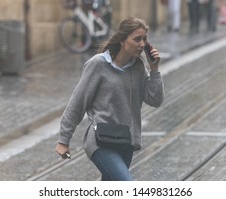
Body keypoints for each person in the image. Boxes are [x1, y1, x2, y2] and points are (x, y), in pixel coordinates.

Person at [55, 17, 164, 181]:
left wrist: (154, 69)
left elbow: (155, 99)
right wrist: (64, 140)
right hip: (101, 142)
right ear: (122, 40)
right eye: (137, 39)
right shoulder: (98, 65)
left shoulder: (138, 67)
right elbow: (78, 103)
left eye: (144, 39)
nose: (142, 44)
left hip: (126, 142)